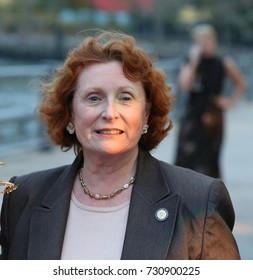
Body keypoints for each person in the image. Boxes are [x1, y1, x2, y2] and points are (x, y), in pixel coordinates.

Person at [0, 31, 240, 260]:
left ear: (146, 114)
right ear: (70, 114)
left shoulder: (199, 200)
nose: (109, 112)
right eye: (94, 97)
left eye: (125, 97)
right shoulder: (22, 196)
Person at [175, 24, 245, 178]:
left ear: (214, 41)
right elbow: (184, 85)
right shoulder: (190, 62)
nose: (205, 44)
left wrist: (229, 101)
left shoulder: (223, 62)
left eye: (207, 40)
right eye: (200, 41)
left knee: (210, 156)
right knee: (186, 154)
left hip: (213, 114)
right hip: (193, 113)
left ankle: (210, 194)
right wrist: (194, 61)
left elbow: (241, 83)